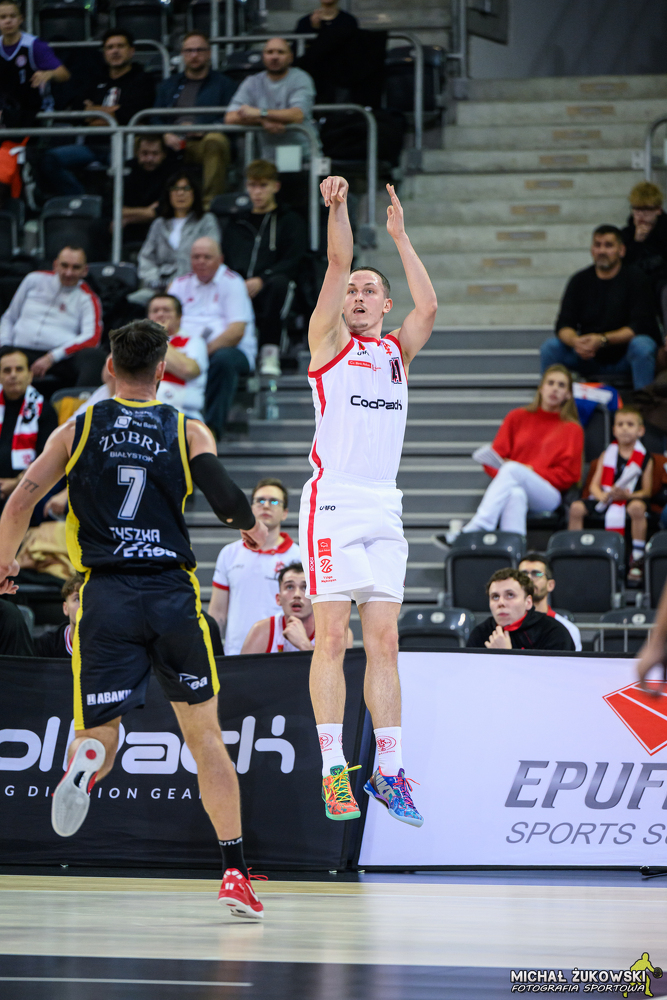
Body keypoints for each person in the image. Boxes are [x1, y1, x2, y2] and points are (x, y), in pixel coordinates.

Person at [0, 318, 270, 918]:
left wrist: (5, 563)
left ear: (109, 367)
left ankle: (87, 761)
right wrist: (253, 529)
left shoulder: (78, 427)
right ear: (164, 368)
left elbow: (21, 500)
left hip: (105, 596)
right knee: (205, 739)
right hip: (171, 594)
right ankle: (234, 873)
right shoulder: (186, 427)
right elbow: (227, 500)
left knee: (100, 733)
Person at [301, 176, 436, 825]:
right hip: (333, 500)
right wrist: (338, 208)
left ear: (384, 304)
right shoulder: (328, 344)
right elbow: (336, 262)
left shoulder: (395, 352)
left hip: (384, 505)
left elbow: (428, 308)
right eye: (352, 290)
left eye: (367, 290)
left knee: (385, 641)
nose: (356, 294)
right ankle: (333, 770)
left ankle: (389, 771)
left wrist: (402, 239)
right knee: (332, 636)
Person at [455, 365, 584, 538]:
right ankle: (514, 547)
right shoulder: (517, 417)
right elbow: (493, 460)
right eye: (550, 383)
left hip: (548, 494)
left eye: (561, 385)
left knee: (512, 469)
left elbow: (570, 476)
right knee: (515, 494)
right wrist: (512, 475)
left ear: (568, 394)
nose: (555, 388)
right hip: (514, 484)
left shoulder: (572, 429)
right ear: (541, 388)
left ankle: (480, 524)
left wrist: (531, 470)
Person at [540, 225, 658, 390]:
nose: (602, 250)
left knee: (643, 345)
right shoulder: (579, 280)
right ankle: (549, 404)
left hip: (625, 356)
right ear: (592, 250)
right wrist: (576, 342)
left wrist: (602, 340)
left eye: (608, 245)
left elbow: (640, 326)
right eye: (597, 245)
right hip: (587, 357)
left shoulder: (637, 279)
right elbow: (563, 324)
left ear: (621, 250)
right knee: (550, 348)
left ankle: (644, 402)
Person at [42, 30, 155, 196]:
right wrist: (111, 112)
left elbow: (131, 114)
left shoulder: (143, 79)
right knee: (49, 159)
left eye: (120, 46)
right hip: (91, 146)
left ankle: (112, 207)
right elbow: (78, 111)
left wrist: (94, 111)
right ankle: (82, 200)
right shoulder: (94, 78)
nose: (115, 51)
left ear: (131, 51)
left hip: (124, 147)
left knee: (123, 169)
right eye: (110, 47)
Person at [221, 159, 307, 377]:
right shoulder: (236, 222)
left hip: (272, 283)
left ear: (275, 187)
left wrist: (262, 279)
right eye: (252, 185)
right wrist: (237, 282)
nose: (257, 192)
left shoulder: (289, 220)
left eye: (263, 185)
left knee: (279, 286)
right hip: (238, 283)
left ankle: (270, 351)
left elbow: (293, 259)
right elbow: (225, 257)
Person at [168, 237, 255, 440]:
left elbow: (236, 332)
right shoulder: (179, 285)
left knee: (223, 360)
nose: (201, 261)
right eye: (196, 257)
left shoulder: (233, 283)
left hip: (230, 351)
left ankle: (212, 430)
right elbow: (166, 323)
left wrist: (200, 354)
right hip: (185, 350)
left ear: (220, 259)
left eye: (207, 257)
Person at [209, 477, 297, 655]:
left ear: (285, 513)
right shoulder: (229, 553)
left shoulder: (299, 556)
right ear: (251, 509)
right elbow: (217, 613)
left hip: (283, 655)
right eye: (260, 501)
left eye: (274, 501)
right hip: (236, 654)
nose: (266, 506)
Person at [0, 247, 104, 397]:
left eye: (75, 268)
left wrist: (52, 357)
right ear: (55, 265)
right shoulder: (33, 279)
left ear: (85, 270)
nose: (68, 273)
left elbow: (92, 338)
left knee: (95, 357)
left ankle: (79, 406)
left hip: (59, 358)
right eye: (64, 266)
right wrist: (6, 348)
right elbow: (9, 317)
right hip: (18, 349)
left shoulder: (88, 298)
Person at [568, 407, 653, 585]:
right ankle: (574, 554)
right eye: (620, 424)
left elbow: (647, 491)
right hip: (606, 498)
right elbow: (594, 485)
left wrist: (627, 496)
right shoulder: (606, 454)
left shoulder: (645, 458)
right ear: (614, 430)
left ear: (640, 430)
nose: (624, 428)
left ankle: (637, 558)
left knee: (637, 508)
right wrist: (602, 495)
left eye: (630, 424)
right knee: (576, 508)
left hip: (630, 499)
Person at [154, 32, 236, 210]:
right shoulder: (168, 84)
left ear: (209, 53)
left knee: (215, 141)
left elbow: (232, 117)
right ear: (182, 54)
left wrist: (204, 128)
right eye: (189, 51)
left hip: (203, 141)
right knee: (142, 143)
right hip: (172, 142)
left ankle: (209, 206)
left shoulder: (224, 84)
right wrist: (165, 134)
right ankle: (153, 206)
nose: (194, 55)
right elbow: (155, 116)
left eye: (199, 50)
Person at [225, 38, 316, 166]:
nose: (274, 57)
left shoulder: (301, 78)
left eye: (280, 52)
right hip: (268, 158)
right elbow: (230, 117)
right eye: (270, 52)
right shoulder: (253, 81)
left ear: (290, 57)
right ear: (263, 57)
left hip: (304, 155)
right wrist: (262, 121)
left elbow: (297, 115)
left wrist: (260, 112)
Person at [135, 171, 220, 304]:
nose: (180, 193)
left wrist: (181, 285)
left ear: (194, 193)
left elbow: (211, 256)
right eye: (175, 189)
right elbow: (146, 258)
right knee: (131, 302)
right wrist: (156, 282)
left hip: (196, 286)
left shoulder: (206, 221)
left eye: (186, 188)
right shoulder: (159, 224)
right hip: (160, 288)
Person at [242, 561, 354, 654]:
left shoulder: (339, 632)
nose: (297, 595)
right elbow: (243, 673)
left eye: (305, 587)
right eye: (289, 587)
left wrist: (304, 645)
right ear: (278, 599)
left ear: (317, 598)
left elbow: (342, 673)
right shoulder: (261, 631)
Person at [0, 347, 57, 509]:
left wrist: (17, 483)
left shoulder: (45, 410)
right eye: (7, 370)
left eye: (19, 369)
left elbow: (47, 459)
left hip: (29, 489)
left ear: (30, 375)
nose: (13, 375)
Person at [466, 569, 575, 651]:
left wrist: (506, 655)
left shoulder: (553, 632)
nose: (501, 603)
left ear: (528, 602)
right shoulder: (480, 634)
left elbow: (555, 674)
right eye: (495, 597)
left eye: (510, 595)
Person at [0, 0, 69, 129]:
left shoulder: (34, 45)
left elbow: (64, 74)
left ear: (20, 19)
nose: (8, 21)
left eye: (12, 16)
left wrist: (49, 74)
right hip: (6, 111)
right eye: (3, 17)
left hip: (35, 113)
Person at [149, 293, 208, 421]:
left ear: (179, 317)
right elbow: (113, 372)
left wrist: (159, 337)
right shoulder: (139, 342)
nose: (160, 314)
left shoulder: (194, 342)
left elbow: (188, 370)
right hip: (143, 412)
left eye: (166, 310)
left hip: (182, 414)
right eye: (155, 311)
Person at [295, 0, 358, 104]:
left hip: (341, 75)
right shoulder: (305, 22)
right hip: (313, 75)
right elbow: (300, 51)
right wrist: (313, 28)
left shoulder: (347, 21)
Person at [517, 553, 582, 651]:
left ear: (550, 585)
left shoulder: (568, 629)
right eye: (523, 574)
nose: (528, 578)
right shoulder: (506, 626)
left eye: (536, 574)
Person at [121, 137, 177, 245]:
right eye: (144, 153)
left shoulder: (171, 171)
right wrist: (148, 211)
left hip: (157, 223)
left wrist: (127, 217)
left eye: (155, 154)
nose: (149, 159)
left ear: (164, 154)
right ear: (137, 153)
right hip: (125, 226)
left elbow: (162, 210)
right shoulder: (126, 169)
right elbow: (113, 208)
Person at [34, 571, 82, 657]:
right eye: (77, 599)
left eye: (89, 598)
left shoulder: (106, 642)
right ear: (65, 608)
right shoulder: (48, 643)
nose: (83, 605)